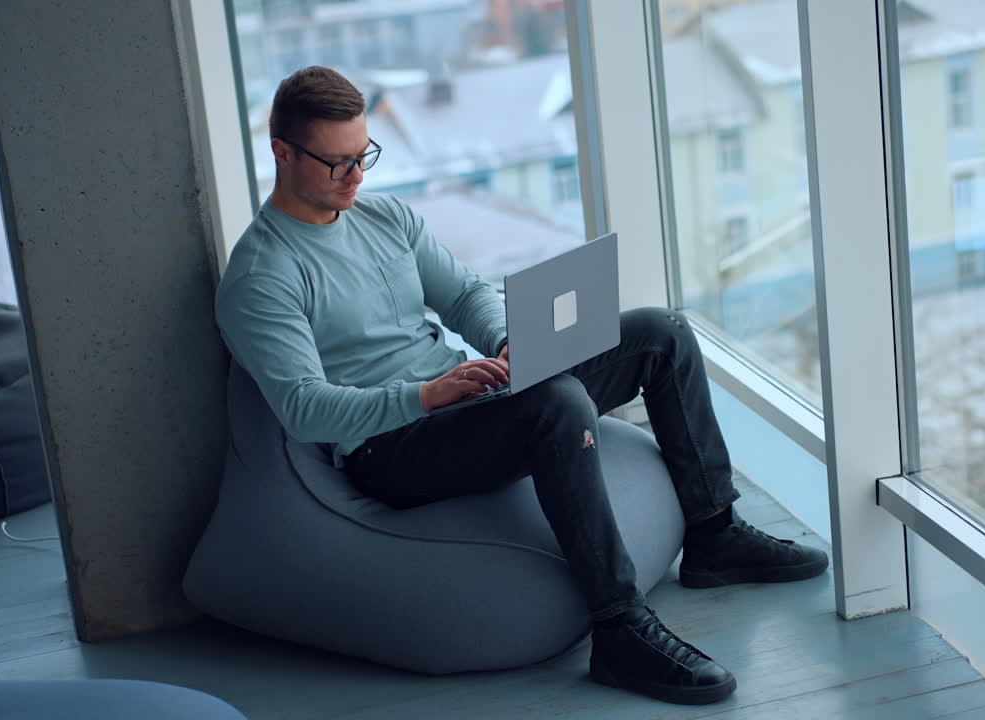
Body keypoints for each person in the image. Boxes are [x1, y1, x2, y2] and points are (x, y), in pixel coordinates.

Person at [215, 66, 829, 706]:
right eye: (336, 163)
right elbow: (304, 410)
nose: (357, 177)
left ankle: (713, 533)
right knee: (557, 405)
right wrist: (426, 395)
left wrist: (507, 343)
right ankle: (619, 631)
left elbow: (464, 293)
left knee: (659, 333)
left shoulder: (386, 218)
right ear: (282, 152)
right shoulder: (262, 277)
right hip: (387, 446)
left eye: (363, 155)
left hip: (462, 398)